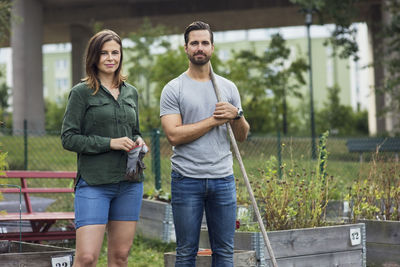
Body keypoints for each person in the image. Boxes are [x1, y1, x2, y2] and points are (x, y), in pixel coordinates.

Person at [160, 21, 250, 267]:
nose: (200, 48)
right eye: (194, 43)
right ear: (186, 48)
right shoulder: (174, 88)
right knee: (186, 251)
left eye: (204, 43)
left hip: (223, 180)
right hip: (186, 179)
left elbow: (241, 136)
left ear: (212, 47)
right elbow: (174, 136)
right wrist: (213, 120)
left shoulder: (228, 88)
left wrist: (237, 115)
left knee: (224, 252)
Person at [61, 29, 145, 267]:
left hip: (129, 184)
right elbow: (68, 138)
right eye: (104, 53)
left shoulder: (131, 93)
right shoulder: (81, 93)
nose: (110, 58)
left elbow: (135, 130)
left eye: (115, 52)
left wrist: (138, 141)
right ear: (94, 57)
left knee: (120, 257)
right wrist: (110, 143)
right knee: (86, 258)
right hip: (94, 183)